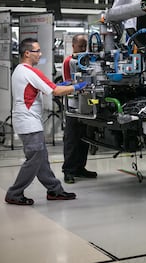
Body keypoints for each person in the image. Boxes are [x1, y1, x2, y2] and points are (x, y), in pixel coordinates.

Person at [5, 38, 87, 206]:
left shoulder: (19, 70)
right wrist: (79, 86)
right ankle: (14, 193)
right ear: (27, 53)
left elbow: (41, 89)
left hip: (26, 121)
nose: (40, 54)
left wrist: (65, 85)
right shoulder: (30, 71)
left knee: (41, 159)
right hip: (29, 123)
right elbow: (55, 91)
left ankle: (55, 190)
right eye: (37, 51)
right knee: (34, 159)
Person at [62, 34, 97, 184]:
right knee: (72, 140)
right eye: (80, 46)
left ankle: (80, 168)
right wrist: (77, 87)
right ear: (73, 46)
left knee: (84, 139)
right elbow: (67, 82)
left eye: (85, 46)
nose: (83, 49)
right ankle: (68, 171)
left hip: (87, 105)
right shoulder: (69, 61)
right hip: (73, 106)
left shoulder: (88, 60)